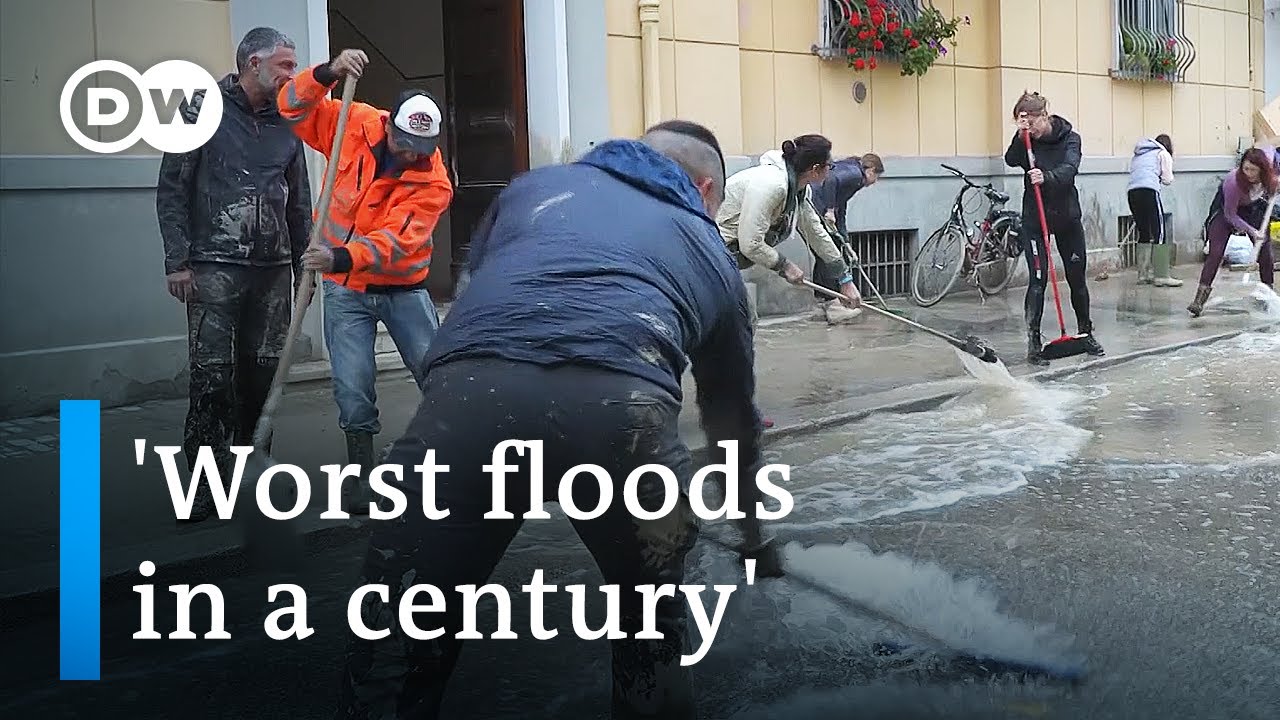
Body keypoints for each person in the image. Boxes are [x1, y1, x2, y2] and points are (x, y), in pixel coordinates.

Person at [333, 120, 778, 719]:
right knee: (650, 634)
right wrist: (753, 538)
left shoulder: (531, 190)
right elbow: (732, 423)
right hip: (624, 416)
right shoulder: (708, 251)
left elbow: (476, 287)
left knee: (397, 642)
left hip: (465, 401)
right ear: (704, 191)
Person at [277, 48, 454, 510]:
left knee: (437, 375)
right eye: (403, 141)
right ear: (389, 123)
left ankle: (455, 461)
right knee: (352, 389)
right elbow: (291, 106)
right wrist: (326, 73)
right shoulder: (353, 121)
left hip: (401, 289)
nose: (411, 153)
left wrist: (335, 257)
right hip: (345, 293)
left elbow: (394, 243)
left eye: (422, 148)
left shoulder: (434, 183)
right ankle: (360, 477)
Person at [155, 27, 312, 522]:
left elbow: (300, 200)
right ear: (252, 63)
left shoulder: (290, 120)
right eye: (285, 65)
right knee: (212, 380)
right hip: (212, 267)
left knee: (263, 376)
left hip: (272, 271)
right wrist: (177, 261)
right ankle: (203, 488)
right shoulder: (202, 109)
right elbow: (171, 188)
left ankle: (253, 474)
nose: (292, 74)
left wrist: (305, 265)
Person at [716, 134, 862, 325]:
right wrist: (784, 266)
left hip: (726, 261)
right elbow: (750, 244)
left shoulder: (800, 190)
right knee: (744, 320)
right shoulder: (772, 185)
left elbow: (816, 233)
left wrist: (845, 279)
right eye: (830, 166)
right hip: (708, 255)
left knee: (741, 322)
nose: (831, 170)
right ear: (815, 169)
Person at [1003, 91, 1105, 366]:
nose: (1030, 130)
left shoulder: (1070, 138)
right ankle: (1034, 342)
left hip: (1066, 217)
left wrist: (1045, 177)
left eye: (1032, 123)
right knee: (1038, 279)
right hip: (1035, 219)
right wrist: (1019, 136)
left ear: (1044, 116)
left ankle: (1085, 332)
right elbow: (1011, 160)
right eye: (1022, 123)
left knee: (1076, 277)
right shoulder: (1026, 140)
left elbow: (1070, 169)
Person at [1187, 147, 1277, 317]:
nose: (1248, 173)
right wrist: (1252, 231)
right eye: (1246, 168)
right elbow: (1230, 215)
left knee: (1265, 252)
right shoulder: (1233, 182)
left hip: (1252, 210)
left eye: (1253, 170)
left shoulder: (1269, 178)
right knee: (1216, 254)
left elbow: (1271, 152)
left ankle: (1268, 296)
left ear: (1262, 170)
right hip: (1225, 211)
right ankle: (1198, 301)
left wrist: (1275, 187)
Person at [808, 153, 885, 320]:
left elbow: (840, 207)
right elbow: (830, 180)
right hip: (815, 207)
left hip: (816, 206)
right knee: (828, 254)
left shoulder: (852, 174)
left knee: (826, 254)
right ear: (871, 170)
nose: (875, 182)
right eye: (876, 176)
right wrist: (828, 210)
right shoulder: (856, 174)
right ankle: (833, 305)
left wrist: (847, 242)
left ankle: (823, 301)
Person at [1126, 134, 1181, 287]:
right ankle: (1162, 275)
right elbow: (1168, 179)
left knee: (1144, 232)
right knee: (1159, 231)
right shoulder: (1162, 153)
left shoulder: (1139, 154)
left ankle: (1142, 275)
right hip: (1149, 190)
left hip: (1132, 192)